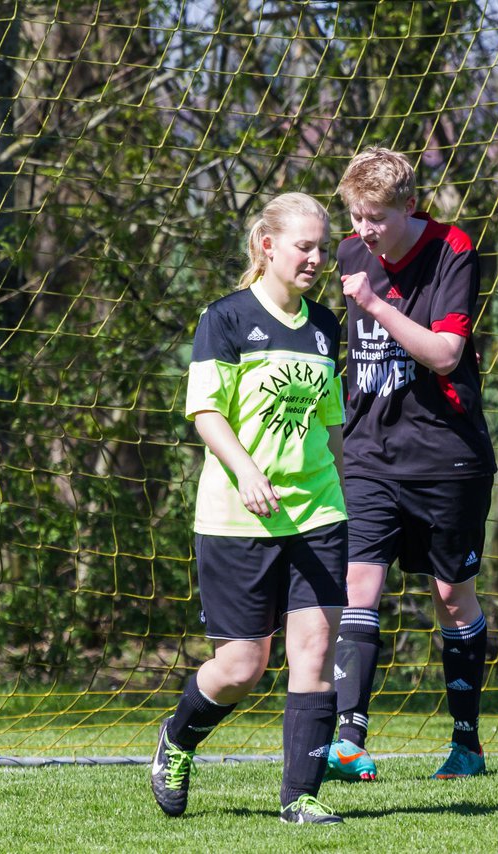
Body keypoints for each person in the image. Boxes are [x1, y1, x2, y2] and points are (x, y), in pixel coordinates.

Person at [150, 193, 348, 824]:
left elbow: (331, 422)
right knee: (243, 666)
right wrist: (245, 468)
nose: (317, 258)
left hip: (317, 511)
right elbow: (206, 411)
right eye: (305, 246)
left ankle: (302, 798)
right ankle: (178, 739)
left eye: (324, 247)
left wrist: (345, 489)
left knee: (315, 646)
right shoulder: (227, 318)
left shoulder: (325, 327)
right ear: (268, 246)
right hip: (238, 518)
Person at [327, 148, 497, 782]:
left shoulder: (453, 248)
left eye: (373, 217)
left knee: (452, 597)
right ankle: (349, 742)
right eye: (354, 216)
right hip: (370, 453)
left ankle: (466, 744)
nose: (362, 230)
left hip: (447, 456)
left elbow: (447, 354)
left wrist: (376, 305)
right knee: (359, 587)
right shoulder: (348, 253)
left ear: (406, 206)